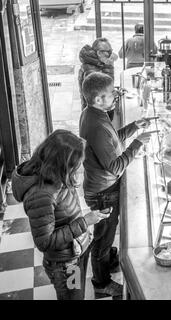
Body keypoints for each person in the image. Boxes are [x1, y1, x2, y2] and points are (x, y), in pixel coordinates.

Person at [11, 130, 111, 300]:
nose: (79, 167)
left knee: (77, 292)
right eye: (76, 164)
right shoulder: (41, 195)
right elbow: (45, 242)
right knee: (74, 297)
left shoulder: (53, 174)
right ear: (62, 163)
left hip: (75, 252)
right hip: (66, 265)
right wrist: (85, 222)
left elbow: (62, 212)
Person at [79, 72, 153, 297]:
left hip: (102, 187)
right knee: (102, 240)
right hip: (103, 192)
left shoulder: (92, 114)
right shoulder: (97, 124)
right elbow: (116, 167)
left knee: (107, 235)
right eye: (111, 94)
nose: (115, 97)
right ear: (99, 99)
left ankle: (109, 261)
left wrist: (133, 127)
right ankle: (101, 283)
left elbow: (112, 139)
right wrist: (137, 144)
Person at [78, 37, 118, 112]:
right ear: (99, 53)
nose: (111, 55)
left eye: (111, 51)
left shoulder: (98, 63)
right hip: (95, 114)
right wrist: (109, 65)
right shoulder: (90, 71)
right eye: (108, 52)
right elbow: (103, 94)